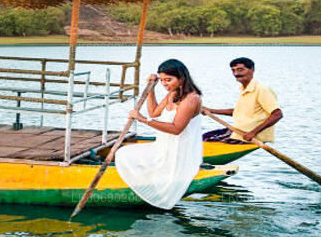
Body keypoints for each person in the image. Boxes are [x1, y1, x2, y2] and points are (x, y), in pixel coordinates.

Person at [113, 59, 204, 210]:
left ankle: (146, 185)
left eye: (168, 80)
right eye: (162, 80)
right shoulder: (173, 93)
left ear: (182, 77)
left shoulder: (191, 98)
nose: (165, 84)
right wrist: (151, 89)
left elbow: (176, 129)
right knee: (123, 153)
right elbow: (154, 112)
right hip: (164, 147)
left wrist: (142, 119)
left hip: (178, 153)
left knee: (125, 155)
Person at [202, 57, 282, 144]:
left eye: (240, 70)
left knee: (207, 142)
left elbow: (277, 114)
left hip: (251, 136)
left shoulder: (261, 89)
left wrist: (253, 133)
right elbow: (238, 112)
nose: (236, 73)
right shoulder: (244, 89)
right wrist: (210, 111)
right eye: (233, 70)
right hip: (239, 131)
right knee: (203, 137)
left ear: (251, 70)